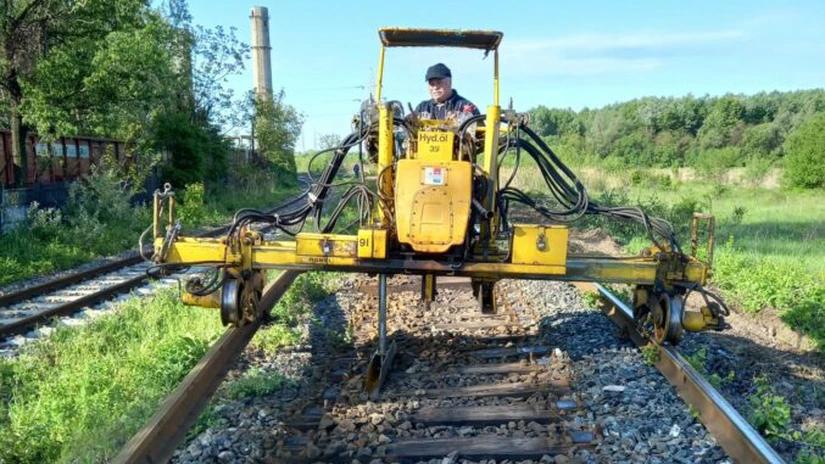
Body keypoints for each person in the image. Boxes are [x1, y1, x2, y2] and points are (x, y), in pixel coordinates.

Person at [415, 63, 480, 121]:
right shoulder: (422, 108)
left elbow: (480, 134)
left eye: (439, 83)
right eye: (431, 84)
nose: (435, 87)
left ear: (450, 82)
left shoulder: (467, 108)